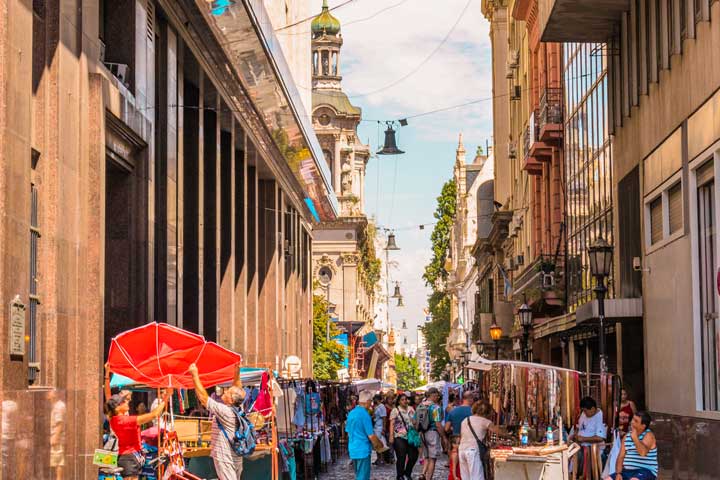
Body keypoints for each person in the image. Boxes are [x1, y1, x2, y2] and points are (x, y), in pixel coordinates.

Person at [188, 362, 246, 480]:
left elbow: (204, 399)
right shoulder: (239, 409)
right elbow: (238, 388)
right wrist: (237, 372)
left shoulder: (225, 411)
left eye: (228, 392)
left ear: (231, 399)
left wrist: (195, 375)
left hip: (226, 458)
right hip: (235, 456)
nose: (224, 392)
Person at [106, 388, 172, 479]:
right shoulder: (126, 421)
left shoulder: (113, 420)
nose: (127, 402)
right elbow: (154, 414)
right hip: (129, 459)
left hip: (129, 457)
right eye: (123, 402)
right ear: (117, 408)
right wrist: (166, 398)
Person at [605, 412, 658, 480]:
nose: (632, 422)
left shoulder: (649, 435)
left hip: (645, 471)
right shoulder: (627, 436)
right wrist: (618, 473)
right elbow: (621, 456)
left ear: (643, 426)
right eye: (633, 419)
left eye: (636, 421)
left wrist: (635, 437)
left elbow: (643, 453)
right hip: (627, 471)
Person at [458, 400, 503, 480]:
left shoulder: (465, 420)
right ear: (487, 412)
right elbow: (499, 432)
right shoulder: (485, 421)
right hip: (473, 451)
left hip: (462, 450)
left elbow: (462, 436)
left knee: (466, 478)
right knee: (476, 477)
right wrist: (510, 436)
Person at [346, 390, 384, 480]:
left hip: (353, 449)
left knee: (358, 475)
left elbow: (348, 432)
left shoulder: (351, 413)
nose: (371, 404)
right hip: (363, 450)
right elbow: (371, 435)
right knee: (363, 477)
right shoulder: (364, 414)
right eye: (371, 401)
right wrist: (379, 445)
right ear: (367, 401)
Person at [570, 396, 607, 476]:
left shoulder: (599, 417)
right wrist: (575, 434)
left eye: (586, 411)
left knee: (578, 455)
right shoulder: (584, 414)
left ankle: (577, 475)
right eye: (583, 410)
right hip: (580, 445)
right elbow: (579, 427)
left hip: (592, 449)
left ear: (593, 408)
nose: (584, 413)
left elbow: (600, 438)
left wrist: (583, 439)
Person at [418, 387, 446, 480]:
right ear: (433, 395)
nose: (438, 397)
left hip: (422, 433)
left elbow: (414, 421)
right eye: (437, 395)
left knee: (426, 456)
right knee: (433, 458)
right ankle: (428, 478)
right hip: (433, 433)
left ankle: (422, 474)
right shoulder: (435, 408)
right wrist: (443, 436)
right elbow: (438, 424)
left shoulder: (421, 406)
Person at [389, 393, 419, 480]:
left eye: (406, 399)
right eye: (402, 399)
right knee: (401, 456)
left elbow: (415, 420)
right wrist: (391, 436)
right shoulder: (395, 410)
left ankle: (407, 472)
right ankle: (400, 475)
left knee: (414, 455)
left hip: (410, 435)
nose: (405, 401)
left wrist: (415, 424)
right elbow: (392, 424)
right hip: (399, 436)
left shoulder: (411, 409)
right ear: (398, 401)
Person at [445, 391, 474, 479]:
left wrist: (454, 428)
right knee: (468, 469)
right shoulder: (473, 412)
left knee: (455, 468)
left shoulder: (453, 411)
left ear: (462, 399)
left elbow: (446, 428)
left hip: (456, 443)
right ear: (471, 399)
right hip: (469, 443)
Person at [372, 394, 389, 464]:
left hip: (380, 427)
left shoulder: (382, 407)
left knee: (380, 443)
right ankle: (378, 458)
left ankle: (381, 458)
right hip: (376, 427)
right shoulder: (377, 407)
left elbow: (384, 417)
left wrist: (384, 428)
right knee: (376, 443)